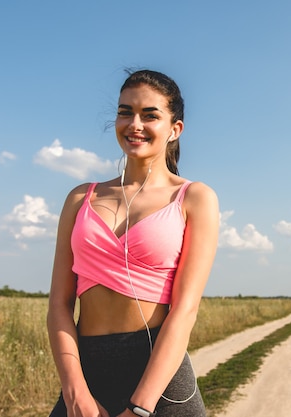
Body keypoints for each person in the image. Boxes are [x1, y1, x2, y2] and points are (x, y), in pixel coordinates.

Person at [47, 69, 219, 417]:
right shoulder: (81, 197)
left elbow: (185, 310)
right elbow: (58, 306)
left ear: (175, 129)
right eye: (125, 111)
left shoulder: (194, 198)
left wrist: (141, 406)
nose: (134, 123)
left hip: (160, 382)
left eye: (150, 115)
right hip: (86, 375)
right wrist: (75, 392)